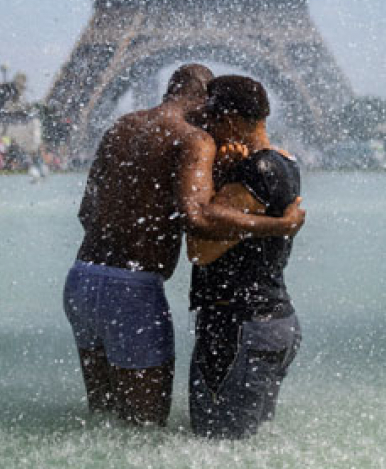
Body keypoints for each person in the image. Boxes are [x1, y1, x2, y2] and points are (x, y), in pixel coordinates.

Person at [62, 64, 305, 426]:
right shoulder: (194, 139)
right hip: (133, 289)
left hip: (81, 281)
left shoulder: (121, 127)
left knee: (103, 421)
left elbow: (87, 212)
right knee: (144, 431)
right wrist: (278, 226)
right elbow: (197, 217)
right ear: (203, 101)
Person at [184, 75, 303, 439]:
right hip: (266, 323)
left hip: (240, 327)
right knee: (243, 452)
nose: (206, 130)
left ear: (232, 121)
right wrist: (222, 173)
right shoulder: (284, 162)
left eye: (212, 121)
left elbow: (199, 249)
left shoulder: (256, 170)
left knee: (220, 447)